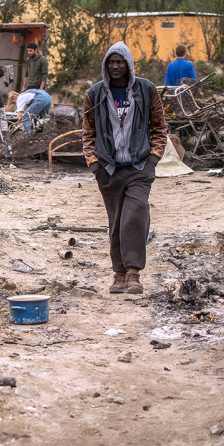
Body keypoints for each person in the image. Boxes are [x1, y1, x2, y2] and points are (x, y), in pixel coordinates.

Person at [82, 41, 167, 295]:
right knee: (117, 221)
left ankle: (133, 273)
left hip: (140, 166)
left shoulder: (146, 90)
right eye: (111, 62)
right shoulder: (95, 94)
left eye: (120, 62)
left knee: (136, 214)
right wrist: (93, 162)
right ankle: (118, 274)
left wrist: (153, 159)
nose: (116, 66)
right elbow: (88, 131)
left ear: (129, 64)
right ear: (105, 65)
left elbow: (160, 127)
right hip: (108, 168)